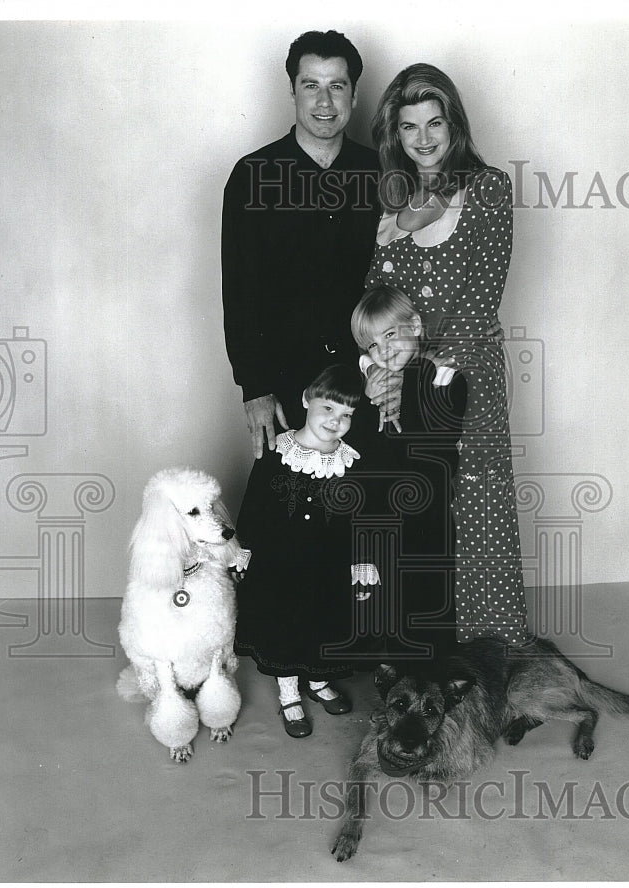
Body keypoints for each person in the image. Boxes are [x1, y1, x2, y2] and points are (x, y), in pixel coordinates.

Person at [362, 63, 531, 646]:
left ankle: (492, 648)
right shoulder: (395, 202)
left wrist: (433, 370)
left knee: (477, 505)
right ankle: (425, 648)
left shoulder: (488, 190)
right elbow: (376, 295)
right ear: (396, 135)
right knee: (417, 512)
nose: (425, 139)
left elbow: (485, 294)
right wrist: (378, 366)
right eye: (410, 127)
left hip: (468, 375)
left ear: (454, 124)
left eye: (435, 123)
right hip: (405, 379)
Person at [221, 30, 380, 459]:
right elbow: (239, 291)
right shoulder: (253, 175)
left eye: (336, 86)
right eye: (311, 85)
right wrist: (255, 389)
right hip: (287, 384)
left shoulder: (381, 172)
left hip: (370, 379)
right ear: (292, 90)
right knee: (290, 515)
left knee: (368, 513)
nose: (324, 102)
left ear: (354, 93)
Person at [234, 365, 380, 738]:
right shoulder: (277, 451)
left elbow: (360, 515)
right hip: (280, 564)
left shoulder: (350, 460)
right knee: (285, 625)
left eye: (347, 414)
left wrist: (362, 558)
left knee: (324, 623)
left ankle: (317, 682)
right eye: (328, 408)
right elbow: (254, 506)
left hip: (328, 565)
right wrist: (244, 550)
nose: (336, 421)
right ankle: (288, 694)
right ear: (306, 400)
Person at [351, 285, 466, 658]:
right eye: (372, 346)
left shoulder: (442, 377)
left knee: (430, 586)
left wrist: (397, 385)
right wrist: (371, 384)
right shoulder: (375, 385)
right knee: (387, 589)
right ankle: (391, 661)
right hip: (385, 509)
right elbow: (364, 452)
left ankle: (434, 665)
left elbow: (439, 434)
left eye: (389, 335)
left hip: (428, 506)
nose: (383, 350)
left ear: (415, 325)